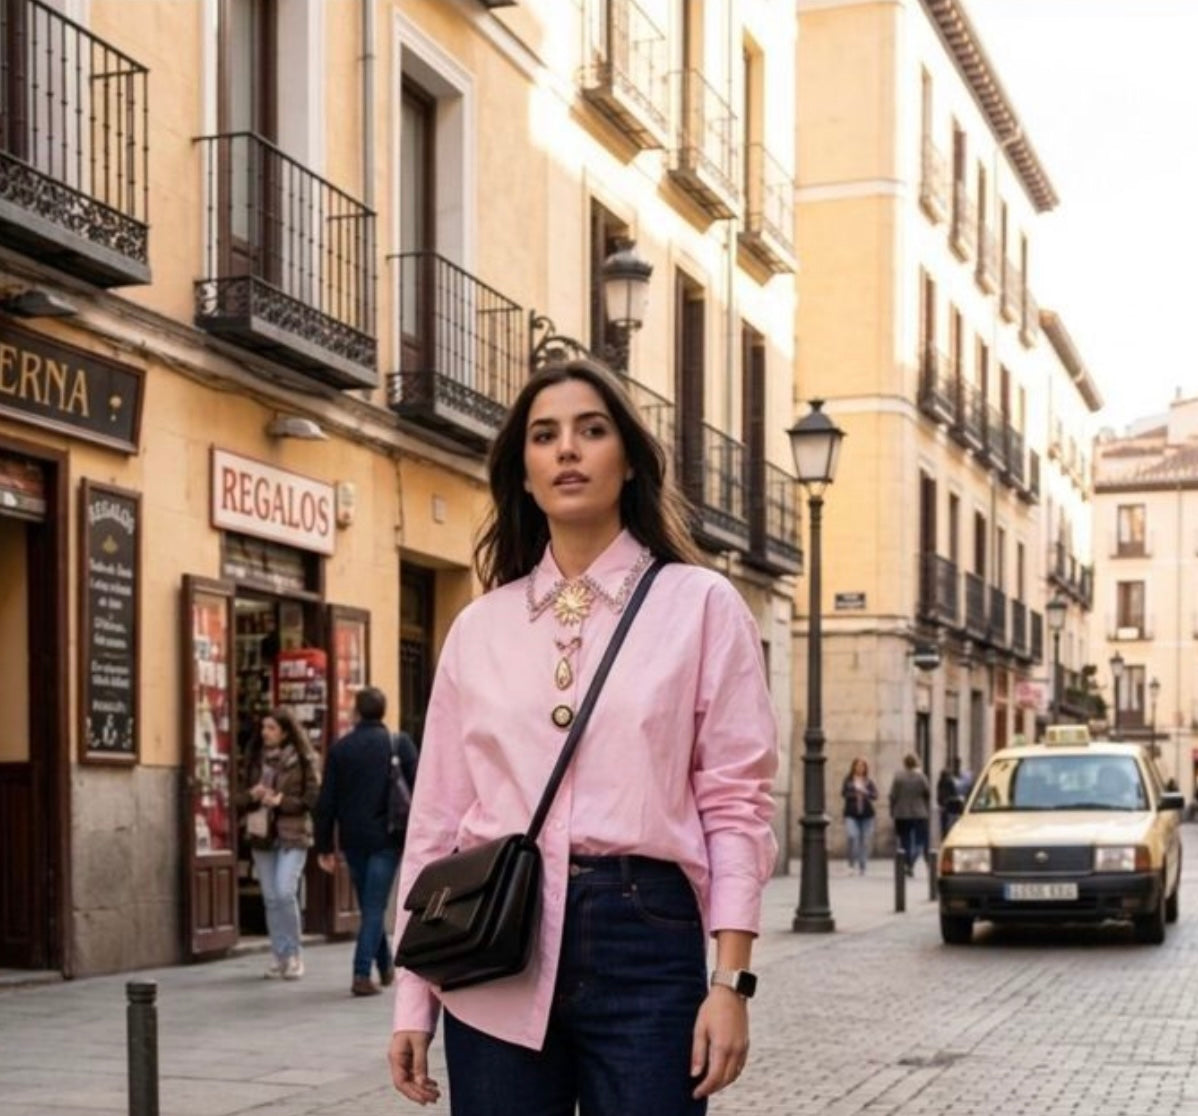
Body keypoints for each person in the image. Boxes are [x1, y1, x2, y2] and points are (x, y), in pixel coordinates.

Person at [387, 359, 778, 1116]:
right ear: (524, 472)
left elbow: (735, 804)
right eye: (545, 436)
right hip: (494, 942)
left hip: (646, 932)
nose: (567, 450)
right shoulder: (480, 627)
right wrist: (413, 998)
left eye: (591, 431)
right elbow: (436, 820)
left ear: (628, 460)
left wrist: (730, 983)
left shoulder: (700, 605)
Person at [315, 686, 418, 996]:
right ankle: (362, 974)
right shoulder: (399, 744)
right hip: (388, 837)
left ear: (356, 712)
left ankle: (385, 967)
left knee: (369, 904)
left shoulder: (341, 749)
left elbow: (326, 801)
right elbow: (421, 791)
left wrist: (323, 846)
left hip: (353, 839)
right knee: (374, 906)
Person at [235, 707, 321, 980]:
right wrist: (252, 794)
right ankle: (279, 955)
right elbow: (236, 798)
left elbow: (312, 799)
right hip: (262, 834)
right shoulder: (254, 760)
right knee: (271, 898)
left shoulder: (304, 760)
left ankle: (295, 954)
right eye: (264, 728)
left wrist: (281, 801)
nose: (265, 733)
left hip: (293, 833)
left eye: (271, 728)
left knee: (285, 892)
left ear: (285, 731)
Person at [889, 753, 931, 877]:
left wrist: (892, 810)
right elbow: (927, 793)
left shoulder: (898, 777)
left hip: (902, 813)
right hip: (919, 812)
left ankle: (907, 862)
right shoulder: (921, 777)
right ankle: (912, 860)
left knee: (904, 840)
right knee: (920, 840)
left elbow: (893, 795)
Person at [841, 758, 878, 874]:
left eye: (863, 766)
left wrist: (865, 792)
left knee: (864, 840)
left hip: (867, 814)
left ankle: (862, 866)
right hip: (851, 814)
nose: (860, 768)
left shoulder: (868, 781)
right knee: (853, 837)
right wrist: (855, 793)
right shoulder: (848, 780)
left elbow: (875, 795)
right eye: (858, 765)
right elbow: (844, 793)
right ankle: (851, 864)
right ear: (854, 767)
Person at [936, 758, 965, 839]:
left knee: (944, 824)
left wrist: (940, 802)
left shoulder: (945, 777)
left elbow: (940, 791)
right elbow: (953, 791)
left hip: (945, 804)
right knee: (950, 823)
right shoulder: (949, 778)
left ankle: (944, 837)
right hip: (950, 804)